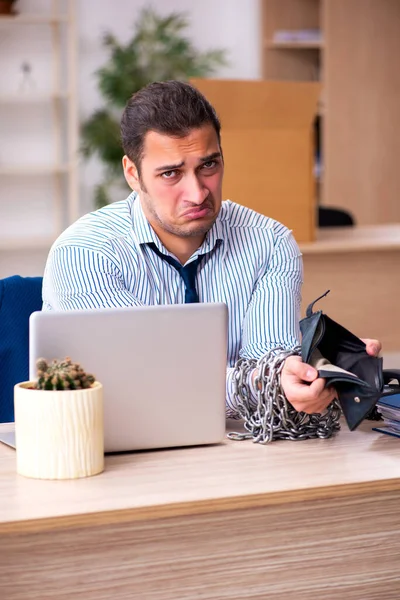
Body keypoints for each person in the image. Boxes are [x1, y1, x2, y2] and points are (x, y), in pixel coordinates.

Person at [42, 80, 381, 418]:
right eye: (171, 174)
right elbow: (146, 379)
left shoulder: (269, 242)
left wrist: (305, 377)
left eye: (208, 166)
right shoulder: (85, 253)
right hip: (118, 450)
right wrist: (263, 385)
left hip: (238, 447)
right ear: (133, 174)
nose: (197, 193)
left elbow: (270, 361)